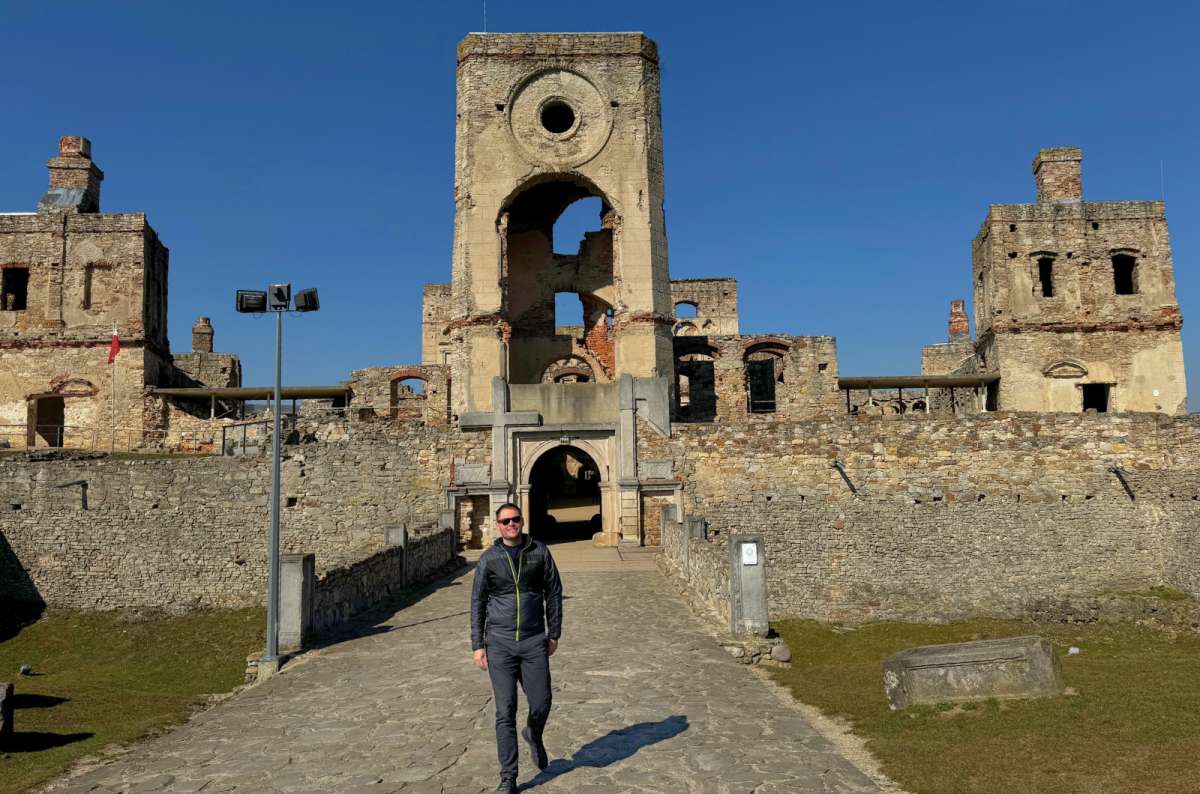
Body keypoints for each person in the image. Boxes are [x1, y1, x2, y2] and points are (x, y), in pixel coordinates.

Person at [471, 502, 564, 793]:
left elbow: (554, 592)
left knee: (541, 702)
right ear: (497, 526)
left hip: (534, 639)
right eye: (505, 521)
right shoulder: (489, 559)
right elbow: (477, 602)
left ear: (522, 521)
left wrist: (554, 633)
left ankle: (534, 734)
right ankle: (508, 777)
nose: (511, 524)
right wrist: (477, 645)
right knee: (505, 710)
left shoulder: (539, 552)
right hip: (499, 642)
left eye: (516, 519)